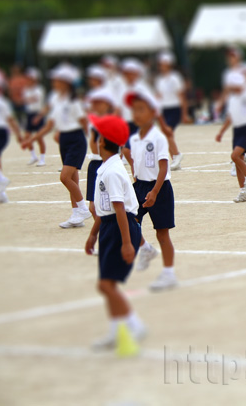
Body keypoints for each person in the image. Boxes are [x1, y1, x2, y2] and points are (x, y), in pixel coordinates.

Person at [83, 114, 146, 353]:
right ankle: (115, 330)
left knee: (107, 285)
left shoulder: (111, 172)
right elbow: (104, 209)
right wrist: (93, 234)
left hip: (120, 228)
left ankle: (134, 326)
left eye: (95, 136)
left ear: (101, 141)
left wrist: (127, 243)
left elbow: (120, 210)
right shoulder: (106, 167)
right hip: (110, 226)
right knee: (105, 284)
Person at [123, 89, 178, 292]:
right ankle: (145, 248)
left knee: (162, 234)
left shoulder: (158, 138)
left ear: (153, 112)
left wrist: (154, 192)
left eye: (141, 109)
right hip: (140, 186)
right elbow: (133, 160)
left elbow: (164, 166)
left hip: (159, 188)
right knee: (127, 220)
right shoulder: (135, 138)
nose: (136, 114)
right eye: (134, 110)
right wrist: (135, 175)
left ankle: (169, 274)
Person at [23, 65, 90, 228]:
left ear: (66, 82)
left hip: (76, 139)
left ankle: (83, 208)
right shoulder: (55, 98)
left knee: (64, 177)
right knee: (72, 178)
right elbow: (50, 124)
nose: (54, 82)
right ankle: (76, 215)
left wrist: (91, 141)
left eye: (57, 80)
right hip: (64, 139)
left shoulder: (74, 101)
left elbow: (84, 122)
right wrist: (32, 139)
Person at [216, 72, 246, 203]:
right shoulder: (232, 99)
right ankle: (243, 192)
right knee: (238, 159)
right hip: (237, 130)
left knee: (234, 156)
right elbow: (230, 117)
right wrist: (221, 132)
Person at [0, 71, 22, 204]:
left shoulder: (1, 102)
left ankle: (2, 179)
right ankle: (1, 194)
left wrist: (18, 134)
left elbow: (10, 119)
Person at [85, 88, 118, 219]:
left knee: (111, 205)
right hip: (94, 162)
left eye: (99, 102)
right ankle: (101, 230)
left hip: (107, 163)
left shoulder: (112, 120)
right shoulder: (93, 120)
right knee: (93, 207)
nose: (95, 105)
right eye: (94, 103)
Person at [155, 51, 187, 170]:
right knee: (165, 134)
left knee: (167, 133)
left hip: (174, 108)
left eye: (163, 63)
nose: (161, 66)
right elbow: (158, 96)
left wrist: (184, 113)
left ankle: (177, 155)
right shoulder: (159, 79)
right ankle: (175, 159)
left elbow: (181, 95)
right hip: (163, 109)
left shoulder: (175, 78)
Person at [22, 67, 47, 166]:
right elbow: (26, 100)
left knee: (39, 137)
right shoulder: (26, 89)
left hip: (38, 113)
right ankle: (33, 156)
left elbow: (35, 100)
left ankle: (42, 158)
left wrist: (28, 99)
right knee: (27, 136)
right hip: (29, 114)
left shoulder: (39, 89)